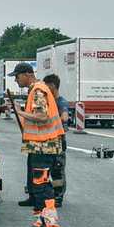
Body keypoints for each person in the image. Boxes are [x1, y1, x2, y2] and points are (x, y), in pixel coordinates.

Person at [8, 62, 64, 227]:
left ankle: (50, 226)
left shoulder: (39, 90)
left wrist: (20, 112)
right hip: (41, 146)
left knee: (42, 186)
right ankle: (41, 222)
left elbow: (42, 116)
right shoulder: (37, 89)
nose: (16, 80)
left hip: (44, 146)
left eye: (17, 76)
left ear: (27, 74)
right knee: (38, 185)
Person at [43, 73, 69, 206]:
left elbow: (64, 117)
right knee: (48, 168)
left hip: (58, 140)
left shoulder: (61, 102)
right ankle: (50, 194)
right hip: (48, 139)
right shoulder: (48, 101)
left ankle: (58, 197)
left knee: (57, 170)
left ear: (52, 86)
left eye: (47, 87)